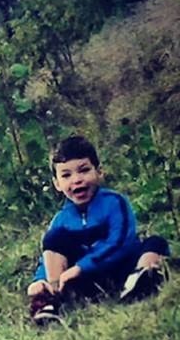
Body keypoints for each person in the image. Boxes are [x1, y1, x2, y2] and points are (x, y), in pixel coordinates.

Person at [28, 135, 170, 325]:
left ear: (99, 172)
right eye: (66, 175)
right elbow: (47, 257)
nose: (77, 180)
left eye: (84, 170)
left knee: (155, 243)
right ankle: (51, 300)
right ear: (57, 184)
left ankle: (140, 281)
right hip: (88, 279)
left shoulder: (114, 202)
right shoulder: (61, 220)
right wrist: (40, 279)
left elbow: (120, 242)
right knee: (53, 239)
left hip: (120, 265)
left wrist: (81, 267)